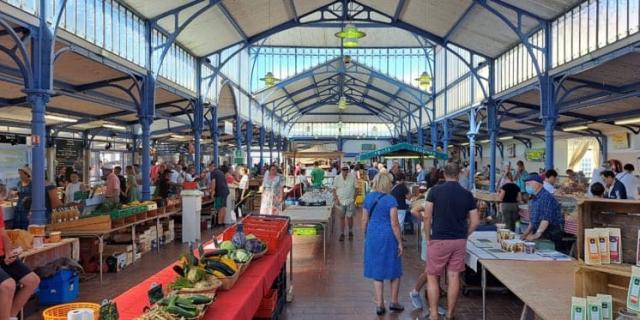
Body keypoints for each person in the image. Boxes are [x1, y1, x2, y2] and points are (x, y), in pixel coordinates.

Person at [423, 162, 480, 320]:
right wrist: (465, 234)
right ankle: (450, 314)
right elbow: (475, 221)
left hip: (439, 239)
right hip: (458, 241)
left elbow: (427, 216)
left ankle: (434, 314)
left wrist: (428, 237)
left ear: (444, 174)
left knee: (433, 276)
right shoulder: (467, 194)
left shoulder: (434, 191)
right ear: (459, 174)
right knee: (454, 276)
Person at [362, 173, 404, 316]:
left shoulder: (368, 198)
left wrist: (366, 235)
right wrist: (400, 242)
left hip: (373, 235)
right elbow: (394, 223)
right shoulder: (390, 200)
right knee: (395, 269)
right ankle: (393, 301)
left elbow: (364, 220)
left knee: (377, 271)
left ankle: (379, 304)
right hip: (388, 236)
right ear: (387, 184)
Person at [0, 182, 40, 320]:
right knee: (8, 285)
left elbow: (3, 234)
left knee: (32, 280)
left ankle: (10, 316)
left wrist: (8, 252)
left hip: (2, 255)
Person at [521, 174, 564, 251]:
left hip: (550, 233)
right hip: (540, 232)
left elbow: (545, 219)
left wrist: (536, 235)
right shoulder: (533, 198)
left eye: (528, 183)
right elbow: (533, 219)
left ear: (538, 184)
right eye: (526, 184)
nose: (526, 186)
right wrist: (526, 233)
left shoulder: (546, 197)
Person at [333, 165, 357, 241]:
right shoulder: (337, 178)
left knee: (349, 217)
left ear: (348, 170)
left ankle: (350, 231)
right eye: (343, 169)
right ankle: (342, 233)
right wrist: (336, 199)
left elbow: (356, 189)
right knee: (341, 218)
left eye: (346, 169)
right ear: (341, 169)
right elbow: (334, 189)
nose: (345, 171)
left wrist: (354, 199)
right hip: (340, 201)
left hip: (350, 200)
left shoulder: (353, 177)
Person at [12, 166, 32, 230]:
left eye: (21, 174)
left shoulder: (32, 183)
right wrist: (16, 193)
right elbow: (20, 193)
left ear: (27, 174)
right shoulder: (19, 183)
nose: (19, 176)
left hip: (28, 208)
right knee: (17, 227)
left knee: (26, 225)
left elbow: (35, 195)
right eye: (19, 174)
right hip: (19, 207)